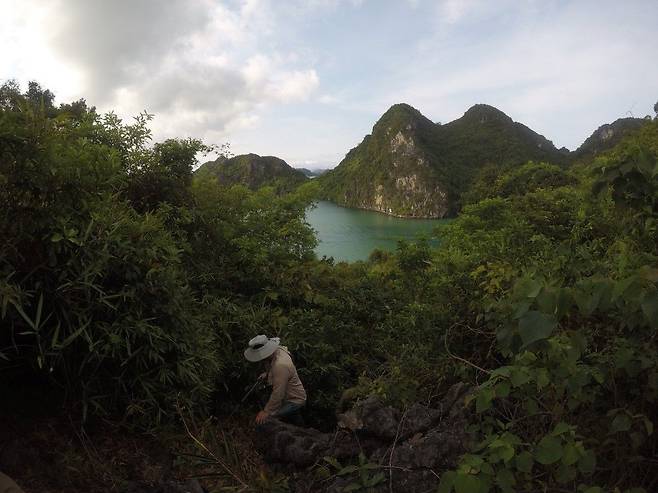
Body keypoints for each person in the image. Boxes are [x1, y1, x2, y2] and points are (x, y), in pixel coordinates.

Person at [243, 335, 306, 425]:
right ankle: (300, 426)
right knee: (294, 418)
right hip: (288, 395)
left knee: (269, 418)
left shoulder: (281, 365)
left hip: (294, 400)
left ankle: (301, 429)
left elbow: (278, 393)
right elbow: (273, 367)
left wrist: (266, 411)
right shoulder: (278, 351)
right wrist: (267, 374)